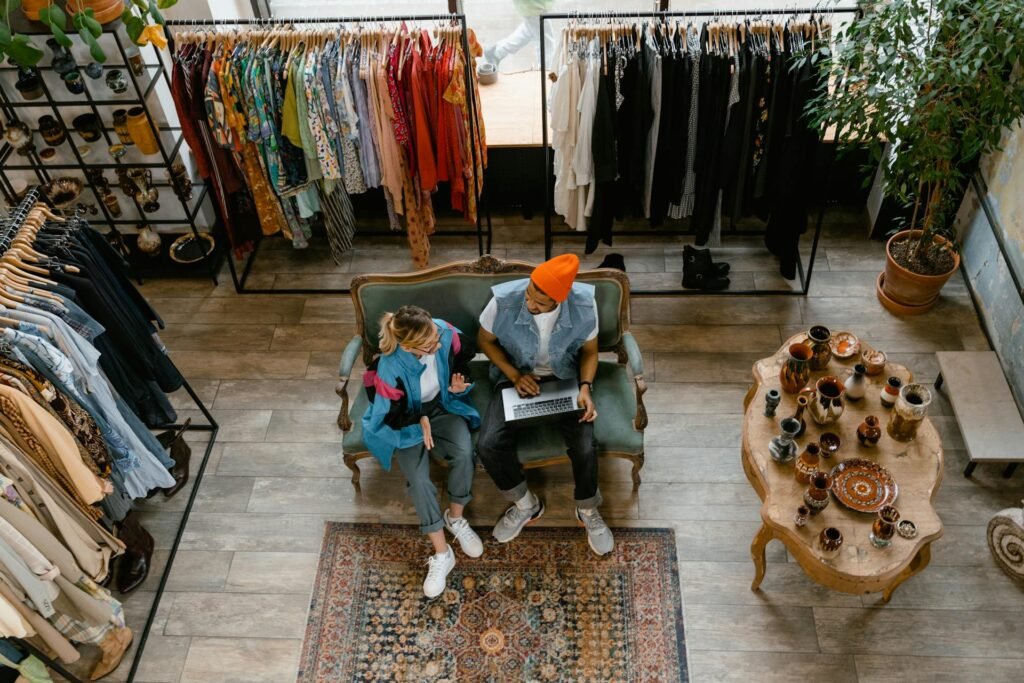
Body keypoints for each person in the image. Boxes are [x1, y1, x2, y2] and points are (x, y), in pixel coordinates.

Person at [476, 254, 614, 556]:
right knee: (487, 444)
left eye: (539, 303)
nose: (529, 305)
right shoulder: (503, 300)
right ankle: (526, 504)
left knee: (585, 446)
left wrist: (585, 387)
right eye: (528, 295)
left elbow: (590, 351)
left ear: (560, 299)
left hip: (565, 378)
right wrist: (514, 375)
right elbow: (484, 341)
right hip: (516, 376)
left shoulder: (584, 305)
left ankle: (587, 509)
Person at [362, 306, 483, 597]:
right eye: (429, 344)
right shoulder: (390, 367)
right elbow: (389, 416)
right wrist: (419, 421)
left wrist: (457, 384)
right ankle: (442, 552)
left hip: (443, 406)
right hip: (405, 422)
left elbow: (463, 356)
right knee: (418, 480)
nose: (437, 344)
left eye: (435, 336)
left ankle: (455, 517)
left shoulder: (443, 331)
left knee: (464, 452)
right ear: (408, 346)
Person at [484, 0, 558, 71]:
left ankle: (497, 51)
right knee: (547, 45)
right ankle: (546, 74)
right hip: (535, 5)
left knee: (528, 32)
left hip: (533, 5)